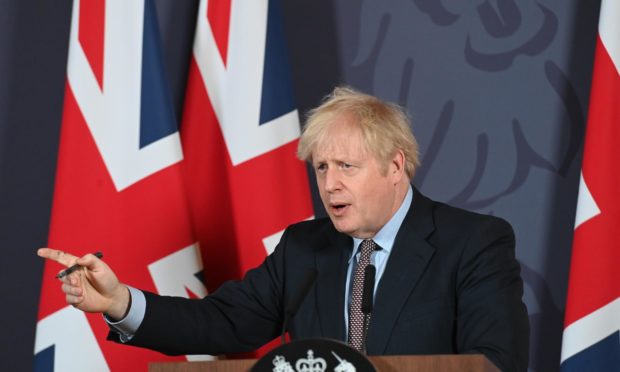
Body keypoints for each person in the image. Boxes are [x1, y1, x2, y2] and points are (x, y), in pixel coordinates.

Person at [39, 87, 529, 372]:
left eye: (346, 167)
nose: (330, 185)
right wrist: (120, 302)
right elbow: (221, 323)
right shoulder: (304, 247)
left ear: (395, 166)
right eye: (320, 168)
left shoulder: (474, 243)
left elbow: (495, 362)